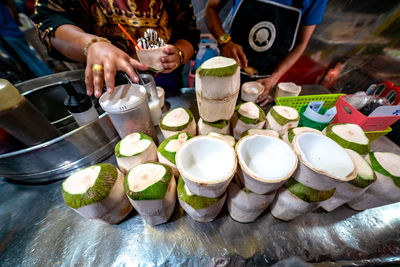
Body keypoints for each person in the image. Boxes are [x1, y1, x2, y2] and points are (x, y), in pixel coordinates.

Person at [32, 0, 200, 98]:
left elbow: (188, 33)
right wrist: (91, 44)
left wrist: (179, 54)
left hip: (167, 82)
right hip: (111, 86)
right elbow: (49, 19)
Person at [206, 0, 328, 106]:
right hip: (226, 69)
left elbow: (301, 44)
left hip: (265, 80)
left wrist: (273, 79)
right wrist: (225, 42)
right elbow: (210, 9)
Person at [0, 0, 52, 78]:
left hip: (8, 35)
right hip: (16, 31)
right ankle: (49, 76)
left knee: (29, 60)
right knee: (33, 58)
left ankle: (46, 79)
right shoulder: (6, 3)